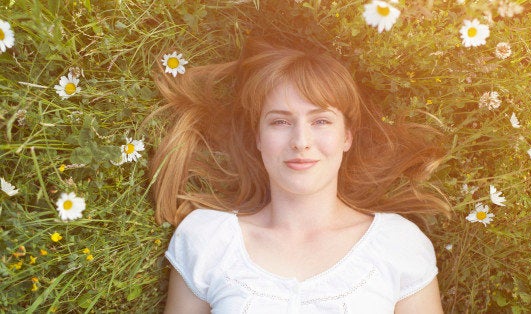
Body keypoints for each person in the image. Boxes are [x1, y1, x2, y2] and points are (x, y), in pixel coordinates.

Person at [150, 37, 450, 313]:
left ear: (347, 137)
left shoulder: (398, 245)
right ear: (258, 138)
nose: (301, 140)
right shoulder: (207, 240)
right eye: (280, 122)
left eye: (320, 121)